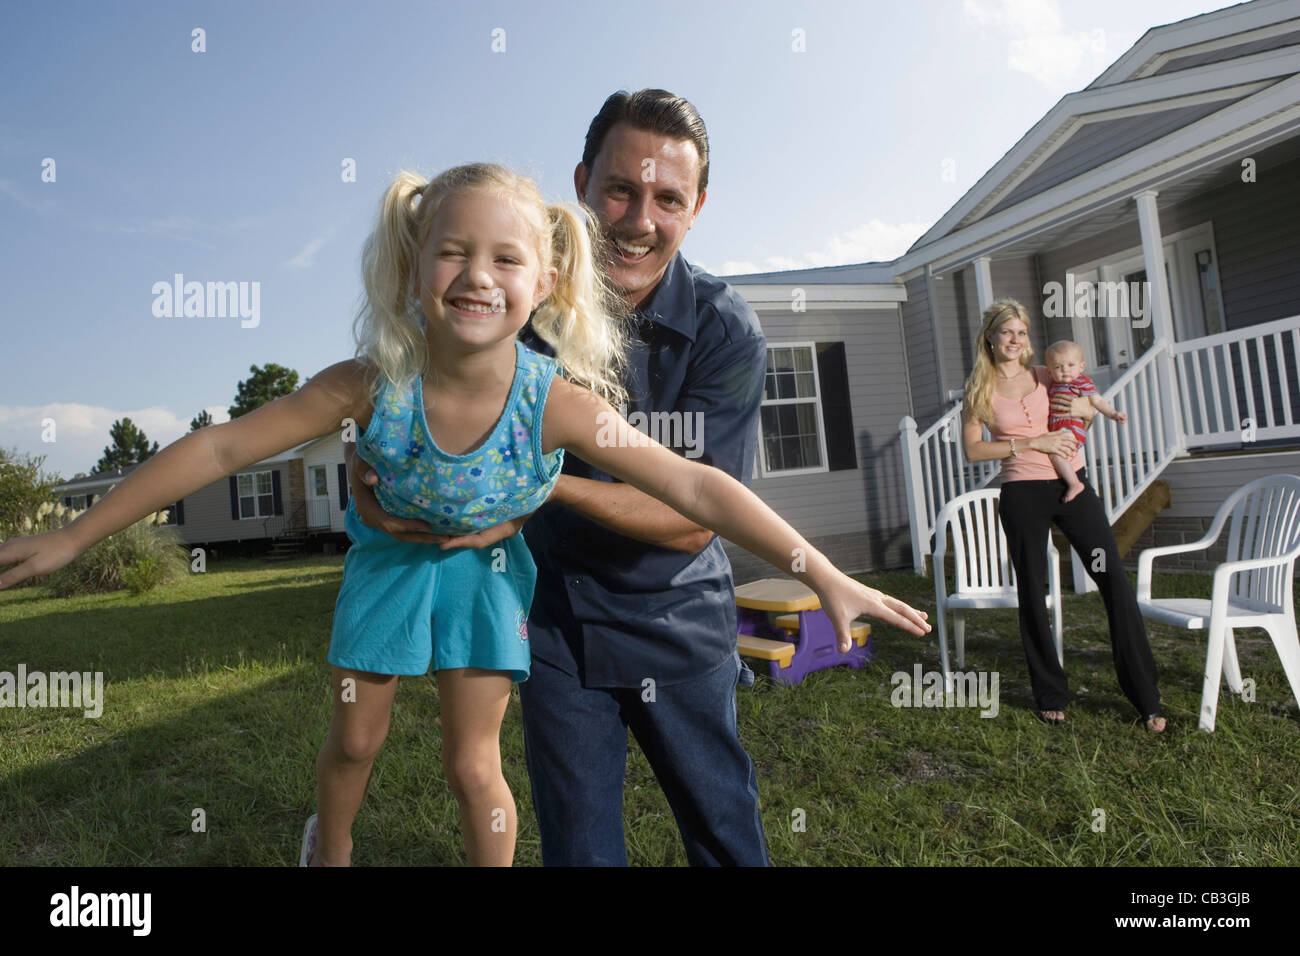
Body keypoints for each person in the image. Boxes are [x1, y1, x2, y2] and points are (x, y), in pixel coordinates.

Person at [0, 162, 932, 868]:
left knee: (471, 762)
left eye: (504, 257)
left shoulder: (554, 400)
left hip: (485, 578)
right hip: (387, 568)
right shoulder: (368, 386)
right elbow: (221, 450)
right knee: (354, 739)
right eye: (452, 250)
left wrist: (823, 569)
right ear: (413, 269)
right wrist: (75, 533)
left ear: (544, 285)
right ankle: (332, 847)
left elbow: (692, 486)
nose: (475, 274)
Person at [345, 89, 785, 866]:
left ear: (698, 207)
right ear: (581, 184)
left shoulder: (724, 328)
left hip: (675, 617)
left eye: (667, 198)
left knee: (723, 831)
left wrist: (524, 485)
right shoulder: (510, 295)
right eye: (619, 189)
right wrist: (367, 468)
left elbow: (693, 516)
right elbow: (406, 399)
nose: (639, 219)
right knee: (578, 848)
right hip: (550, 618)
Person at [960, 298, 1165, 731]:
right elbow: (974, 449)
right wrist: (1033, 443)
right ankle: (1051, 693)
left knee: (1111, 577)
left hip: (1072, 488)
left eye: (1021, 332)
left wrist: (1083, 417)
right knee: (1032, 591)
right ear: (991, 338)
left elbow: (1086, 408)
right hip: (1022, 493)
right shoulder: (979, 388)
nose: (1015, 340)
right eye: (1006, 332)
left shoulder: (1046, 374)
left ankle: (1146, 696)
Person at [1044, 339, 1128, 503]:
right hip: (1060, 429)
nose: (1065, 370)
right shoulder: (1053, 384)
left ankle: (1074, 483)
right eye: (1058, 367)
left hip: (1072, 430)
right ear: (1049, 372)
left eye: (1070, 365)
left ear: (1081, 367)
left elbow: (1098, 401)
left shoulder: (1082, 382)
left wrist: (1113, 413)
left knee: (1055, 454)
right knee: (1055, 453)